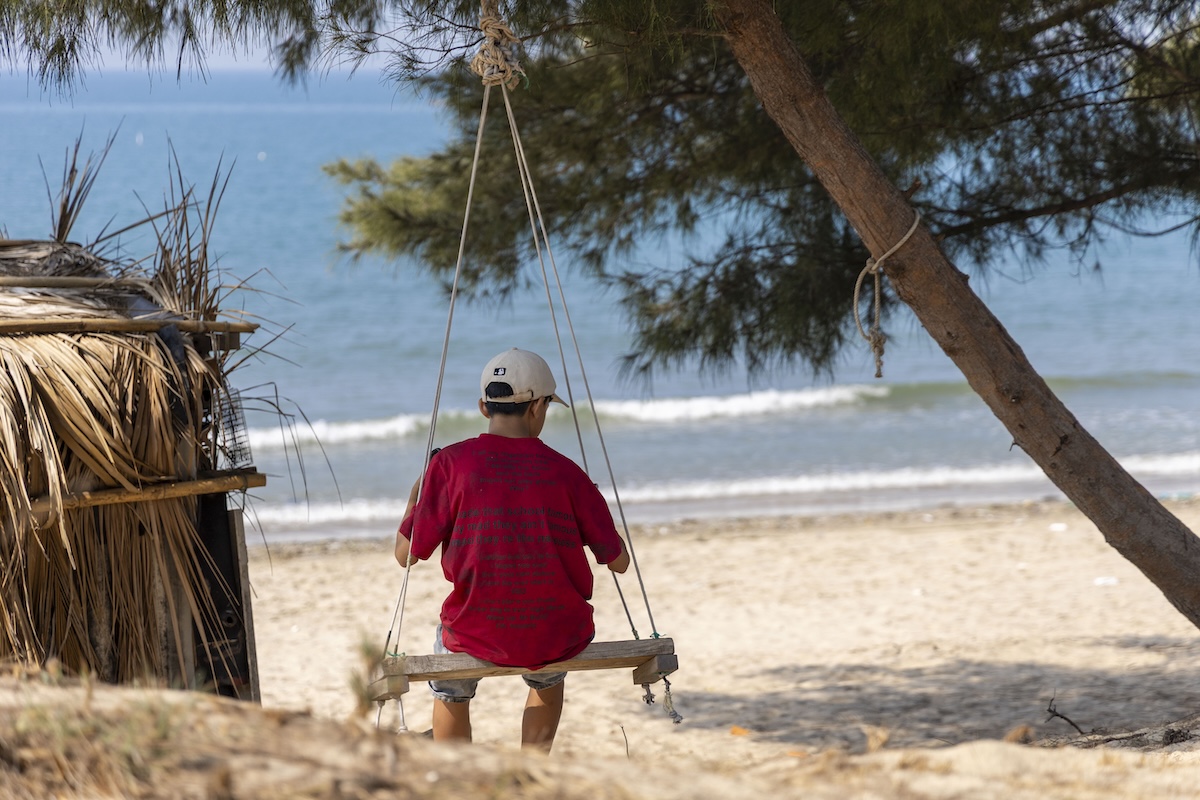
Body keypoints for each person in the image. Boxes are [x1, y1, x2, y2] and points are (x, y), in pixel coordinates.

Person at [394, 347, 630, 752]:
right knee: (548, 677)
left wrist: (415, 498)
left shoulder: (449, 464)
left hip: (475, 629)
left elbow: (407, 556)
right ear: (538, 406)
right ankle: (530, 770)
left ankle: (459, 772)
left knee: (451, 687)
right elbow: (620, 563)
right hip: (555, 632)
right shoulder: (568, 472)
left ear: (484, 407)